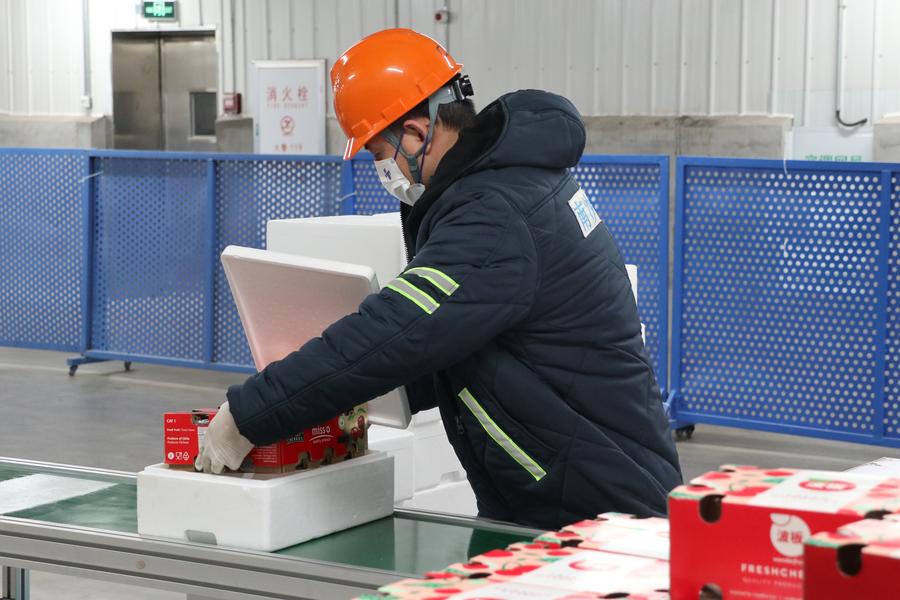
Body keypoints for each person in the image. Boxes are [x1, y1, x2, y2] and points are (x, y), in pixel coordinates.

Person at [196, 28, 682, 530]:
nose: (381, 169)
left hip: (598, 514)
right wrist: (325, 393)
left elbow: (398, 330)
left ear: (414, 132)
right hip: (558, 499)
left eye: (377, 153)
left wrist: (252, 413)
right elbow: (455, 349)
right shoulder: (502, 187)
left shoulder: (495, 215)